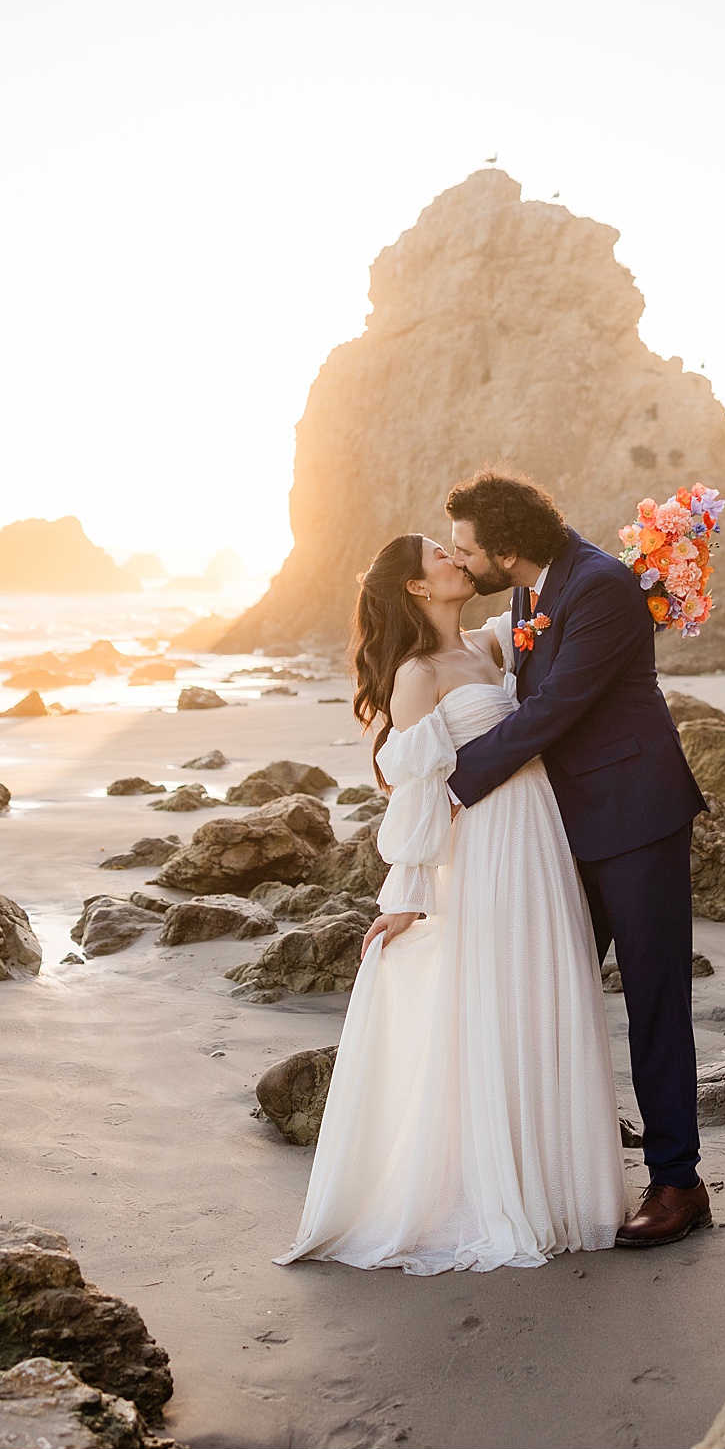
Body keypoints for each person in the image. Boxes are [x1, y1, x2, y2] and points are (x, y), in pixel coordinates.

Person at [275, 531, 625, 1274]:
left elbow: (562, 610)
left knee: (548, 990)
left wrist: (649, 570)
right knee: (501, 1000)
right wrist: (404, 894)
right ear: (415, 588)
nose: (455, 558)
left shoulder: (491, 646)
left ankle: (561, 1182)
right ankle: (506, 1189)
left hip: (541, 834)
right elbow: (417, 789)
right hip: (489, 847)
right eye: (439, 553)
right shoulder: (415, 673)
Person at [442, 469, 713, 1247]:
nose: (462, 564)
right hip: (564, 826)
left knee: (655, 1002)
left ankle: (677, 1182)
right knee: (546, 991)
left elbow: (557, 706)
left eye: (467, 551)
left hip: (636, 820)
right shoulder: (529, 590)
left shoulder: (600, 585)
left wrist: (459, 785)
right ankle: (549, 1168)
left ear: (507, 546)